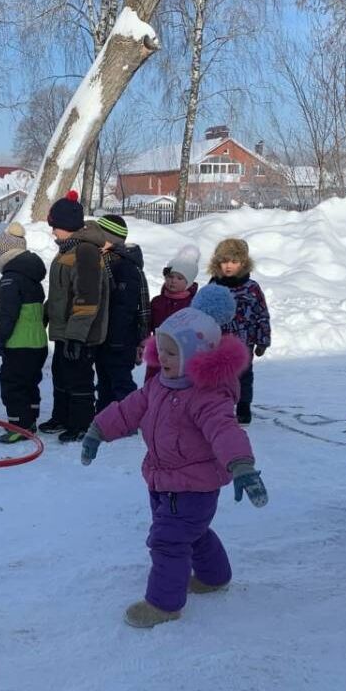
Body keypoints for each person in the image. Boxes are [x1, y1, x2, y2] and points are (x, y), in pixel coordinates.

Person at [80, 285, 269, 628]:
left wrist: (241, 465)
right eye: (161, 349)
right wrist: (98, 430)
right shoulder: (159, 386)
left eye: (172, 352)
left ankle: (164, 604)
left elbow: (224, 431)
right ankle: (214, 577)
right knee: (192, 534)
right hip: (163, 478)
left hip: (194, 486)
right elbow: (127, 411)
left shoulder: (207, 397)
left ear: (196, 356)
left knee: (168, 541)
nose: (161, 358)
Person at [40, 192, 110, 443]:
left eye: (55, 227)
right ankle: (62, 416)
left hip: (81, 334)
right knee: (61, 374)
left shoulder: (86, 253)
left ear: (68, 227)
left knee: (78, 378)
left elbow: (88, 299)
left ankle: (81, 423)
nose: (52, 232)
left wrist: (76, 336)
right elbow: (61, 294)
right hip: (64, 331)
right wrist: (45, 314)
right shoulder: (66, 251)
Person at [0, 222, 48, 443]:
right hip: (37, 343)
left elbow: (8, 314)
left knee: (12, 384)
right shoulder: (34, 277)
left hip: (18, 344)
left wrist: (0, 338)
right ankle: (30, 419)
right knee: (30, 382)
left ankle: (18, 425)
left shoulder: (10, 279)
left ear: (3, 255)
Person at [207, 238, 271, 425]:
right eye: (224, 261)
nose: (228, 266)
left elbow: (261, 314)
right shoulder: (213, 286)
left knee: (243, 374)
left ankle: (243, 406)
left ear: (243, 263)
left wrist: (263, 340)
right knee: (219, 375)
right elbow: (202, 312)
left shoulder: (252, 288)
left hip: (244, 342)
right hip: (218, 341)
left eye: (234, 262)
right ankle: (220, 406)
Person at [94, 213, 150, 412]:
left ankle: (131, 415)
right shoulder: (105, 261)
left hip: (121, 337)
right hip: (106, 335)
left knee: (120, 379)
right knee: (104, 379)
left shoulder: (125, 266)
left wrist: (122, 337)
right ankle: (105, 414)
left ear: (109, 240)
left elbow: (128, 307)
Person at [144, 245, 201, 384]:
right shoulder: (157, 302)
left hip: (182, 354)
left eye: (179, 278)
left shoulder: (193, 304)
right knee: (153, 383)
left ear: (188, 283)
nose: (173, 280)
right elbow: (148, 325)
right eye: (170, 276)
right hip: (158, 352)